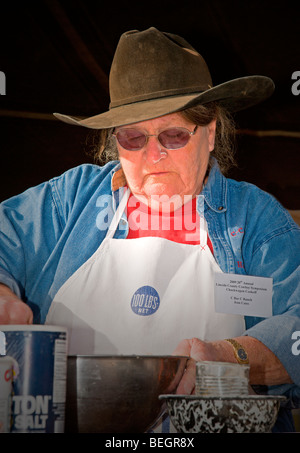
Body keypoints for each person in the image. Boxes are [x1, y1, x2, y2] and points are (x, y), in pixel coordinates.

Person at [0, 27, 299, 432]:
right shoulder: (69, 201)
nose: (153, 154)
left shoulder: (257, 220)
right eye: (133, 137)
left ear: (210, 132)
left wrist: (233, 357)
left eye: (173, 135)